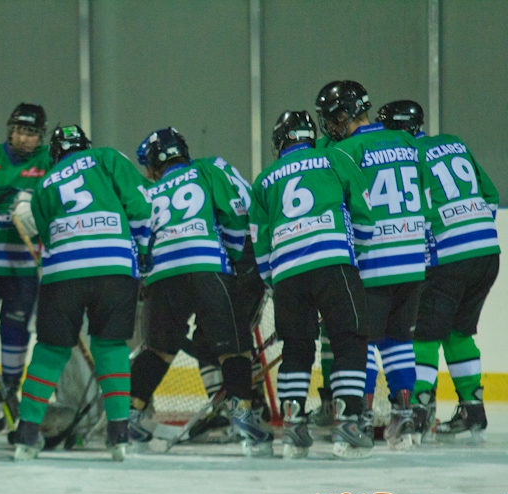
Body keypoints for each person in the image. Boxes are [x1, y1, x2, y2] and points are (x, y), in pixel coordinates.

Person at [11, 125, 153, 462]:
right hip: (115, 266)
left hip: (63, 272)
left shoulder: (44, 183)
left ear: (55, 154)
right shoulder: (106, 158)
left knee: (50, 350)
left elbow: (45, 236)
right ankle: (118, 435)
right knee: (111, 346)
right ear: (85, 145)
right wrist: (143, 250)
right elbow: (139, 205)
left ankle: (26, 435)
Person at [126, 128, 267, 455]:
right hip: (208, 266)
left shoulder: (148, 190)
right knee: (234, 348)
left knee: (158, 349)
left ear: (154, 164)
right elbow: (236, 214)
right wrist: (235, 259)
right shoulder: (208, 168)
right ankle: (242, 420)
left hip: (163, 273)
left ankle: (130, 417)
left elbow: (139, 238)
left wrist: (145, 274)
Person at [250, 110, 375, 459]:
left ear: (280, 142)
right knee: (349, 338)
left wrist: (274, 280)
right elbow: (364, 215)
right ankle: (348, 422)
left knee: (297, 347)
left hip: (287, 273)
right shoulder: (334, 157)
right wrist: (354, 254)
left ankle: (293, 427)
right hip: (333, 262)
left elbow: (260, 241)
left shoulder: (264, 179)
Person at [318, 81, 432, 450]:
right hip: (412, 257)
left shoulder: (346, 151)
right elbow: (426, 196)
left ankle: (363, 420)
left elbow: (346, 207)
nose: (329, 126)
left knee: (361, 341)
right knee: (398, 340)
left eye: (331, 117)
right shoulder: (408, 142)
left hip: (374, 259)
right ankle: (404, 420)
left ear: (346, 114)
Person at [377, 100, 500, 444]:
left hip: (448, 258)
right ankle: (473, 410)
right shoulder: (454, 143)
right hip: (487, 252)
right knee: (459, 332)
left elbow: (414, 214)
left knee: (424, 334)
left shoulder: (407, 157)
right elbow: (490, 196)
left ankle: (418, 410)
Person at [0, 103, 53, 430]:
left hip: (24, 266)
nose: (22, 138)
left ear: (40, 136)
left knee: (15, 329)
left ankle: (9, 389)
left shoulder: (47, 162)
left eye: (30, 133)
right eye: (18, 130)